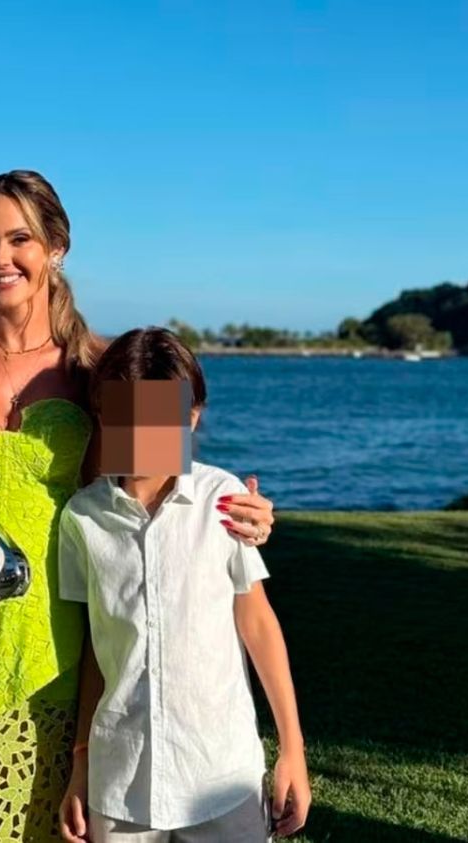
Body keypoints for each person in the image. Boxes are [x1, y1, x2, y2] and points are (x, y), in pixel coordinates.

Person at [0, 171, 279, 841]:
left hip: (56, 643)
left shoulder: (96, 365)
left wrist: (245, 513)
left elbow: (151, 490)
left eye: (18, 239)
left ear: (57, 246)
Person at [56, 327, 310, 842]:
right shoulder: (82, 518)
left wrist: (293, 749)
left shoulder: (225, 500)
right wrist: (81, 762)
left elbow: (257, 623)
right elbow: (96, 650)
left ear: (191, 417)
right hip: (121, 780)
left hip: (222, 774)